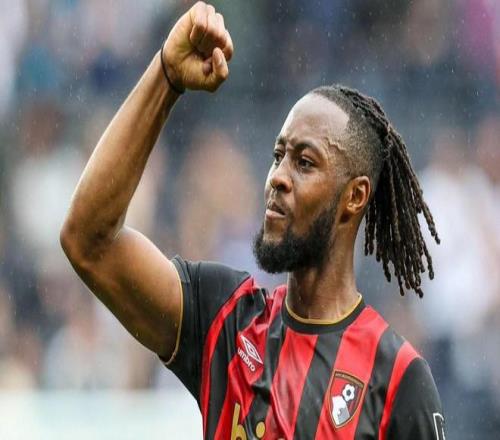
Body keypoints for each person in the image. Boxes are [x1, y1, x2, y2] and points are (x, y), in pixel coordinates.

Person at [60, 2, 445, 439]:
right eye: (278, 156)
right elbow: (88, 241)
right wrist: (166, 75)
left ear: (354, 196)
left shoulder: (397, 378)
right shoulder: (226, 320)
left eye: (304, 162)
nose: (278, 177)